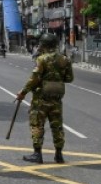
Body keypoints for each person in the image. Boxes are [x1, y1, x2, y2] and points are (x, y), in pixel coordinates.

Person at [16, 33, 74, 164]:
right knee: (57, 126)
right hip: (56, 98)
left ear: (44, 45)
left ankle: (37, 154)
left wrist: (23, 92)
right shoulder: (65, 59)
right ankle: (59, 155)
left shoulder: (41, 59)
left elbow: (34, 78)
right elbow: (69, 78)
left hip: (41, 99)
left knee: (37, 124)